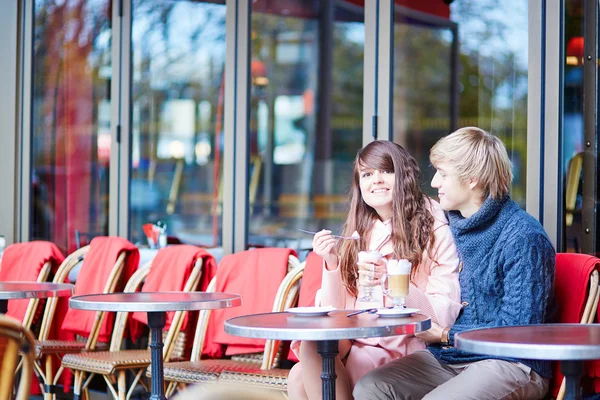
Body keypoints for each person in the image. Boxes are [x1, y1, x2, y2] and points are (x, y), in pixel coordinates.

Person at [354, 127, 556, 400]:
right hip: (452, 358)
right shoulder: (454, 225)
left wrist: (447, 335)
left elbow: (516, 331)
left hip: (511, 363)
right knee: (372, 386)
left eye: (443, 173)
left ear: (472, 179)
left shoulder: (523, 236)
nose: (434, 182)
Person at [287, 140, 463, 400]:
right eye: (367, 174)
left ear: (403, 176)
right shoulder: (360, 231)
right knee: (303, 366)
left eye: (386, 171)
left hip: (409, 349)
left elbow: (442, 315)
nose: (376, 180)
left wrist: (390, 279)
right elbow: (336, 317)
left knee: (320, 373)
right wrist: (332, 263)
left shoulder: (433, 225)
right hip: (358, 344)